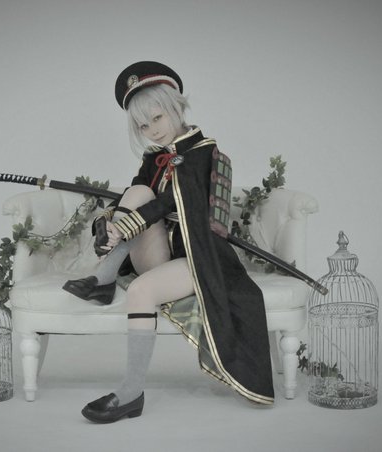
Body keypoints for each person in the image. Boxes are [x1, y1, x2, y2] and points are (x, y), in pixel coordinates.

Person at [63, 61, 274, 423]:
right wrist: (108, 225)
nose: (152, 130)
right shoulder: (155, 158)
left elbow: (171, 202)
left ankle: (131, 394)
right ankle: (104, 277)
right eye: (143, 126)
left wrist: (126, 227)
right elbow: (137, 197)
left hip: (199, 257)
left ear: (176, 106)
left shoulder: (203, 153)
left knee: (141, 291)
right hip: (161, 253)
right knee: (137, 190)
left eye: (157, 118)